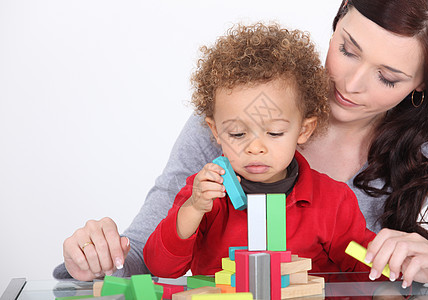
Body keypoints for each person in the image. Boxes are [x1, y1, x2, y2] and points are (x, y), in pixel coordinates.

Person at [55, 0, 428, 289]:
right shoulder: (235, 117)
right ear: (337, 20)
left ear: (420, 85)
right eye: (347, 49)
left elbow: (368, 271)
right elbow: (142, 258)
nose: (350, 84)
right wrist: (95, 258)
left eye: (387, 77)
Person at [143, 22, 378, 277]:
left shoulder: (333, 201)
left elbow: (367, 267)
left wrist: (387, 286)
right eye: (237, 134)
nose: (255, 148)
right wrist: (194, 208)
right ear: (215, 132)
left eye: (274, 133)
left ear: (304, 130)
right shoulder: (204, 193)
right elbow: (161, 267)